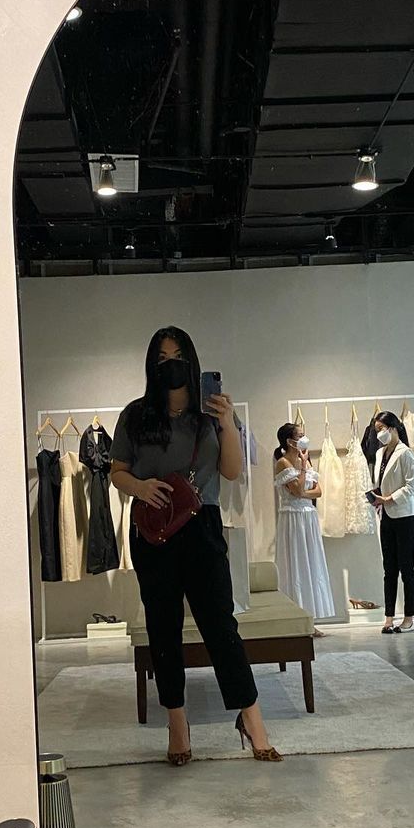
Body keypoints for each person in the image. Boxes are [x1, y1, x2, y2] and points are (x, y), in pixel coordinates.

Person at [111, 327, 281, 764]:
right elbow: (117, 471)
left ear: (192, 361)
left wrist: (226, 422)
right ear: (152, 365)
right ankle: (177, 723)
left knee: (220, 625)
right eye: (161, 358)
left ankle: (252, 718)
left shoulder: (211, 414)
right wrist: (140, 487)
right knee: (162, 627)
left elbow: (231, 471)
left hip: (202, 525)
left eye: (177, 356)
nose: (170, 365)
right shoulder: (136, 415)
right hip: (153, 529)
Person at [273, 424, 335, 626]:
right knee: (296, 563)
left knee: (312, 562)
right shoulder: (282, 463)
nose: (304, 438)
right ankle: (296, 619)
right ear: (289, 441)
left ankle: (311, 618)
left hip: (308, 517)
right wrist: (302, 469)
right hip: (293, 518)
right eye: (300, 436)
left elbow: (318, 492)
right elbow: (298, 490)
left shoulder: (306, 462)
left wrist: (302, 491)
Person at [370, 411, 414, 634]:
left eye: (381, 429)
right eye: (377, 430)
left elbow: (412, 486)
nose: (379, 433)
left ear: (393, 428)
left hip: (405, 516)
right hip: (386, 516)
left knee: (406, 568)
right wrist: (376, 497)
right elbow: (381, 481)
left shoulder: (405, 453)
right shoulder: (380, 453)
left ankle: (409, 617)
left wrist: (389, 498)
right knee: (389, 569)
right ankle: (389, 617)